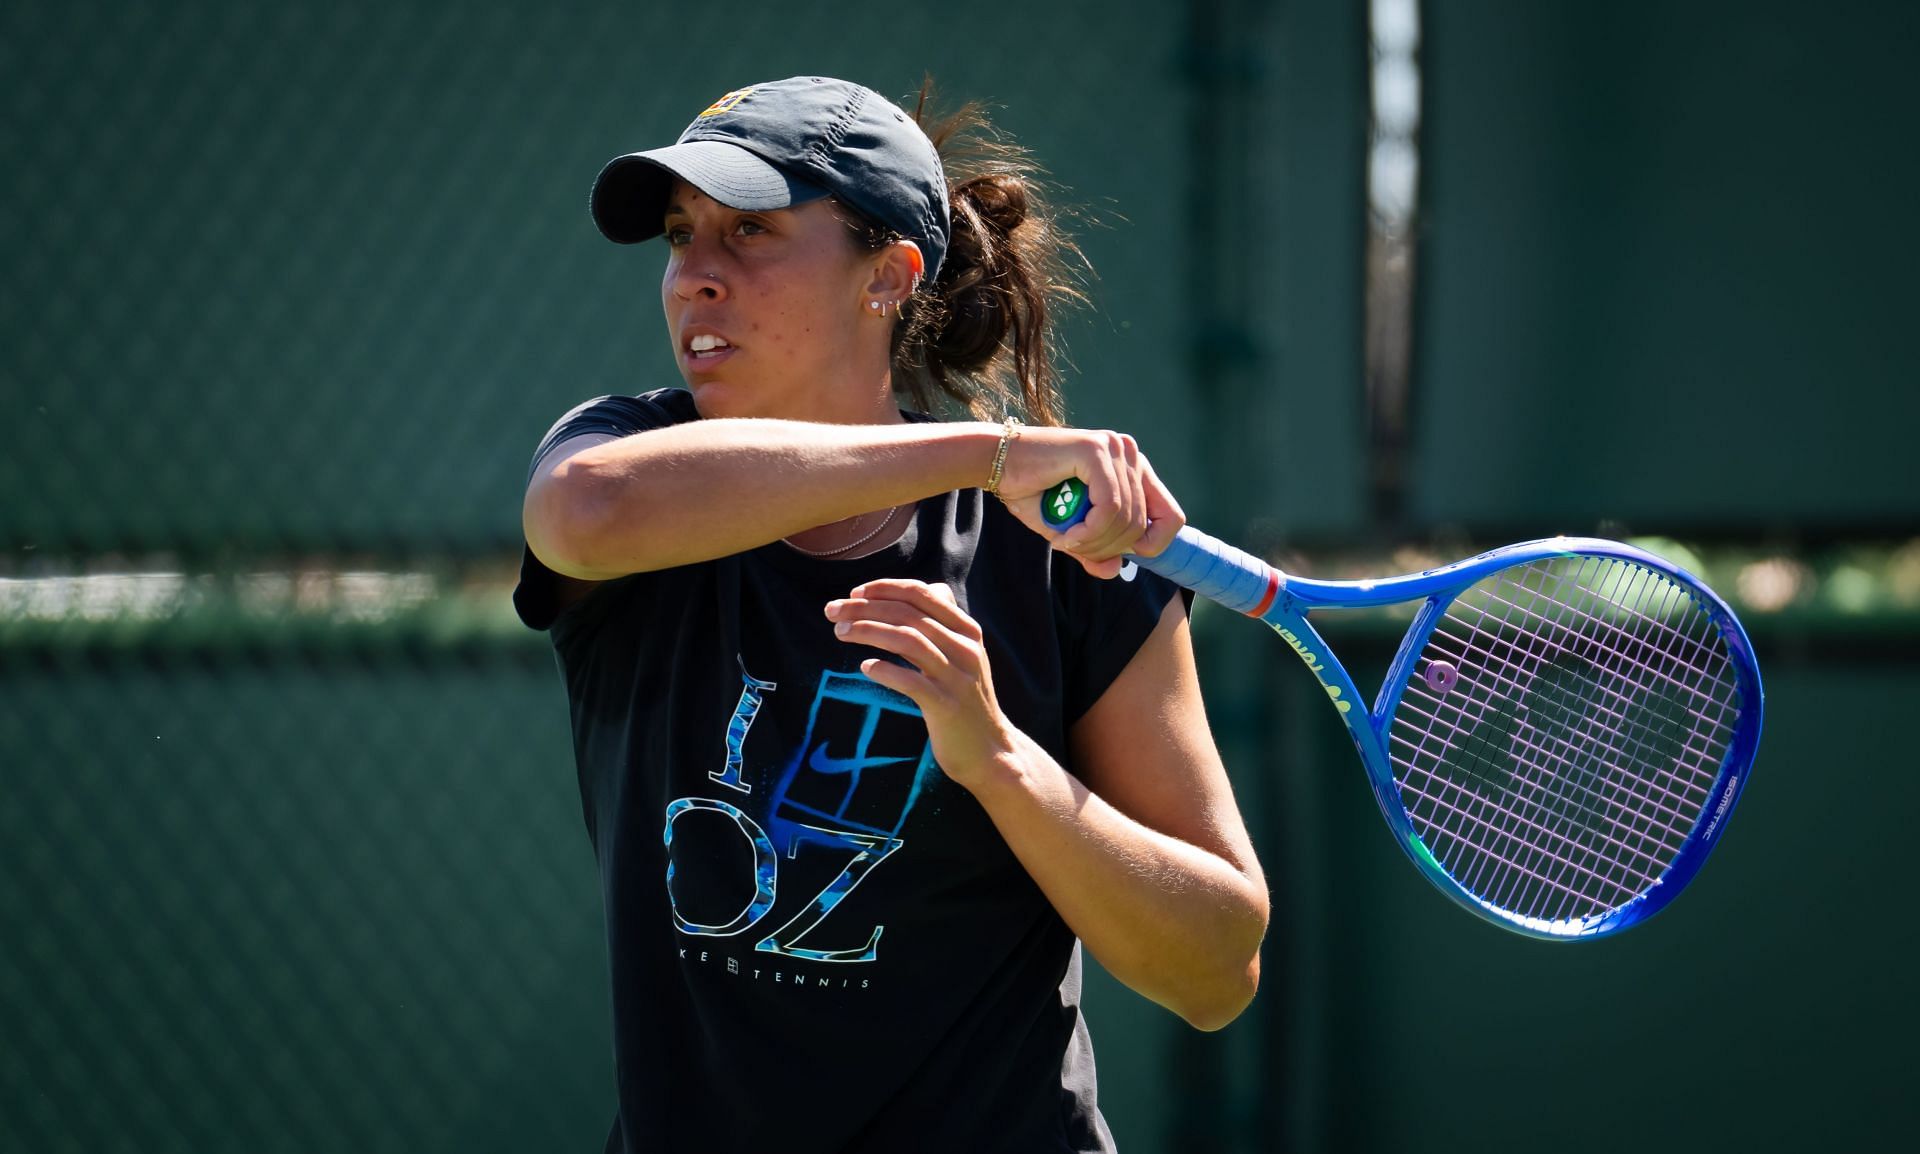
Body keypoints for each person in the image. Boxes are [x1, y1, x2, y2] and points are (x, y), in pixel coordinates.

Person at [514, 75, 1268, 1154]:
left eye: (750, 232)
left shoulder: (1063, 561)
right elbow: (584, 514)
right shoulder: (625, 456)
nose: (693, 278)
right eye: (682, 236)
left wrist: (1005, 763)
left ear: (890, 276)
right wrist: (993, 448)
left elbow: (1215, 967)